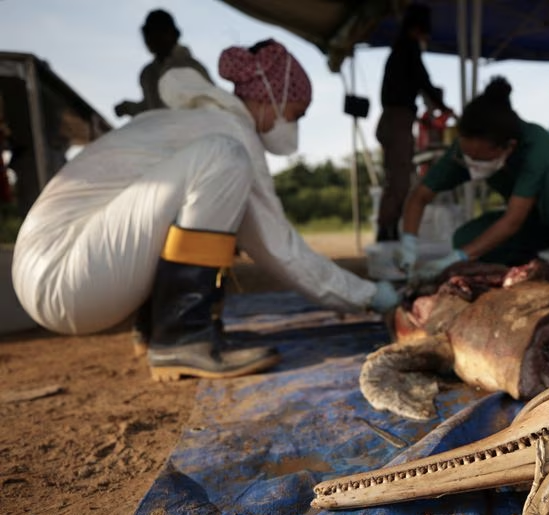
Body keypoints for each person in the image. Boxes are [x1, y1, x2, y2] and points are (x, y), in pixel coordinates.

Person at [12, 40, 399, 382]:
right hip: (66, 274)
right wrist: (372, 296)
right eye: (295, 114)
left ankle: (158, 327)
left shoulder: (194, 123)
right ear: (272, 97)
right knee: (223, 157)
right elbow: (281, 249)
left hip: (58, 268)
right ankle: (182, 336)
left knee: (209, 180)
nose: (294, 126)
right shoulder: (231, 133)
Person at [397, 77, 549, 283]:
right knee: (466, 240)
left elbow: (513, 220)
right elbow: (420, 196)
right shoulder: (466, 149)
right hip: (533, 222)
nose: (471, 163)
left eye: (480, 158)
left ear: (508, 148)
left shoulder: (536, 146)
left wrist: (459, 257)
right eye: (467, 154)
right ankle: (528, 272)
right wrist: (408, 245)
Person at [375, 3, 451, 242]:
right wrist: (445, 108)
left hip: (392, 119)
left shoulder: (399, 51)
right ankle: (387, 231)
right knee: (399, 180)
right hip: (397, 121)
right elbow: (424, 83)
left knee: (396, 178)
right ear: (419, 29)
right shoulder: (408, 50)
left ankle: (388, 229)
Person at [114, 9, 212, 118]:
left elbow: (212, 106)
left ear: (173, 34)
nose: (153, 39)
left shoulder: (192, 67)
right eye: (149, 33)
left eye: (159, 32)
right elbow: (152, 110)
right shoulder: (148, 73)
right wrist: (129, 108)